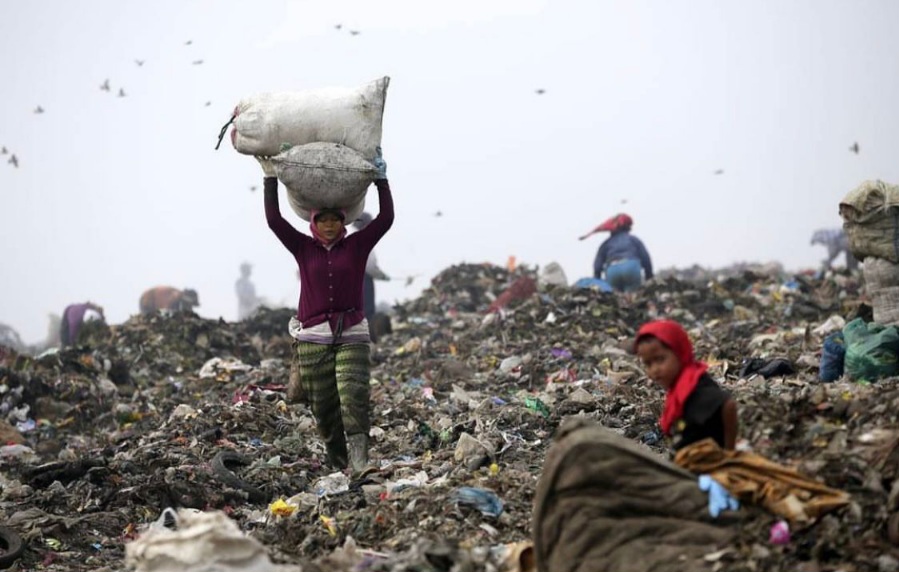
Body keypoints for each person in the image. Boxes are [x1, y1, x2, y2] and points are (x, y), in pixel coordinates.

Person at [257, 147, 393, 475]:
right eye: (324, 220)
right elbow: (274, 221)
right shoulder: (303, 247)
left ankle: (360, 462)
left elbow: (386, 219)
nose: (330, 226)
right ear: (314, 222)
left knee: (353, 395)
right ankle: (338, 464)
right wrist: (270, 180)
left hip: (353, 332)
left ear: (343, 221)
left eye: (335, 220)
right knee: (325, 407)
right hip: (313, 337)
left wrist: (382, 181)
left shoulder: (357, 245)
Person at [634, 319, 738, 451]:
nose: (654, 369)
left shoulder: (696, 387)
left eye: (660, 359)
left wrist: (728, 454)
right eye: (648, 364)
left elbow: (728, 405)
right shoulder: (679, 391)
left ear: (680, 353)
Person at [580, 213, 653, 292]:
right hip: (631, 268)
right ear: (628, 228)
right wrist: (649, 276)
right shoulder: (634, 239)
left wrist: (598, 281)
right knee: (632, 298)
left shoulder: (605, 244)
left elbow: (597, 265)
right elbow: (646, 258)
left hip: (612, 271)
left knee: (617, 299)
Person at [353, 212, 390, 340]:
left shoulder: (347, 239)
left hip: (348, 280)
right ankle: (366, 339)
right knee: (367, 310)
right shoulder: (364, 239)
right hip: (363, 279)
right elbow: (370, 266)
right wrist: (382, 276)